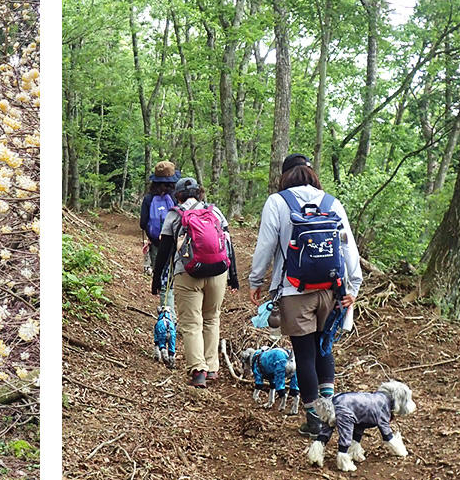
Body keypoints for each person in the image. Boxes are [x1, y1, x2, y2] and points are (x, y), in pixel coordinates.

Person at [248, 154, 362, 437]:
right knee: (325, 349)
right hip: (331, 290)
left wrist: (256, 279)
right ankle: (330, 411)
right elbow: (348, 248)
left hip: (295, 290)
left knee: (305, 354)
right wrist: (353, 288)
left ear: (285, 176)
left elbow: (265, 245)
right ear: (311, 174)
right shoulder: (331, 202)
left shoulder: (277, 202)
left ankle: (315, 420)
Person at [151, 177, 239, 388]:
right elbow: (227, 242)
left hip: (187, 273)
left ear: (178, 195)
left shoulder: (175, 214)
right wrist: (233, 276)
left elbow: (164, 251)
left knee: (191, 323)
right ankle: (212, 368)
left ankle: (198, 371)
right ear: (200, 193)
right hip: (218, 272)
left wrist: (156, 279)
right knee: (211, 319)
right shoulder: (215, 212)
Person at [140, 161, 179, 315]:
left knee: (163, 280)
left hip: (157, 244)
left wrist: (152, 237)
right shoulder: (177, 197)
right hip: (177, 244)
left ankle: (168, 317)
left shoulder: (149, 198)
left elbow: (143, 222)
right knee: (177, 279)